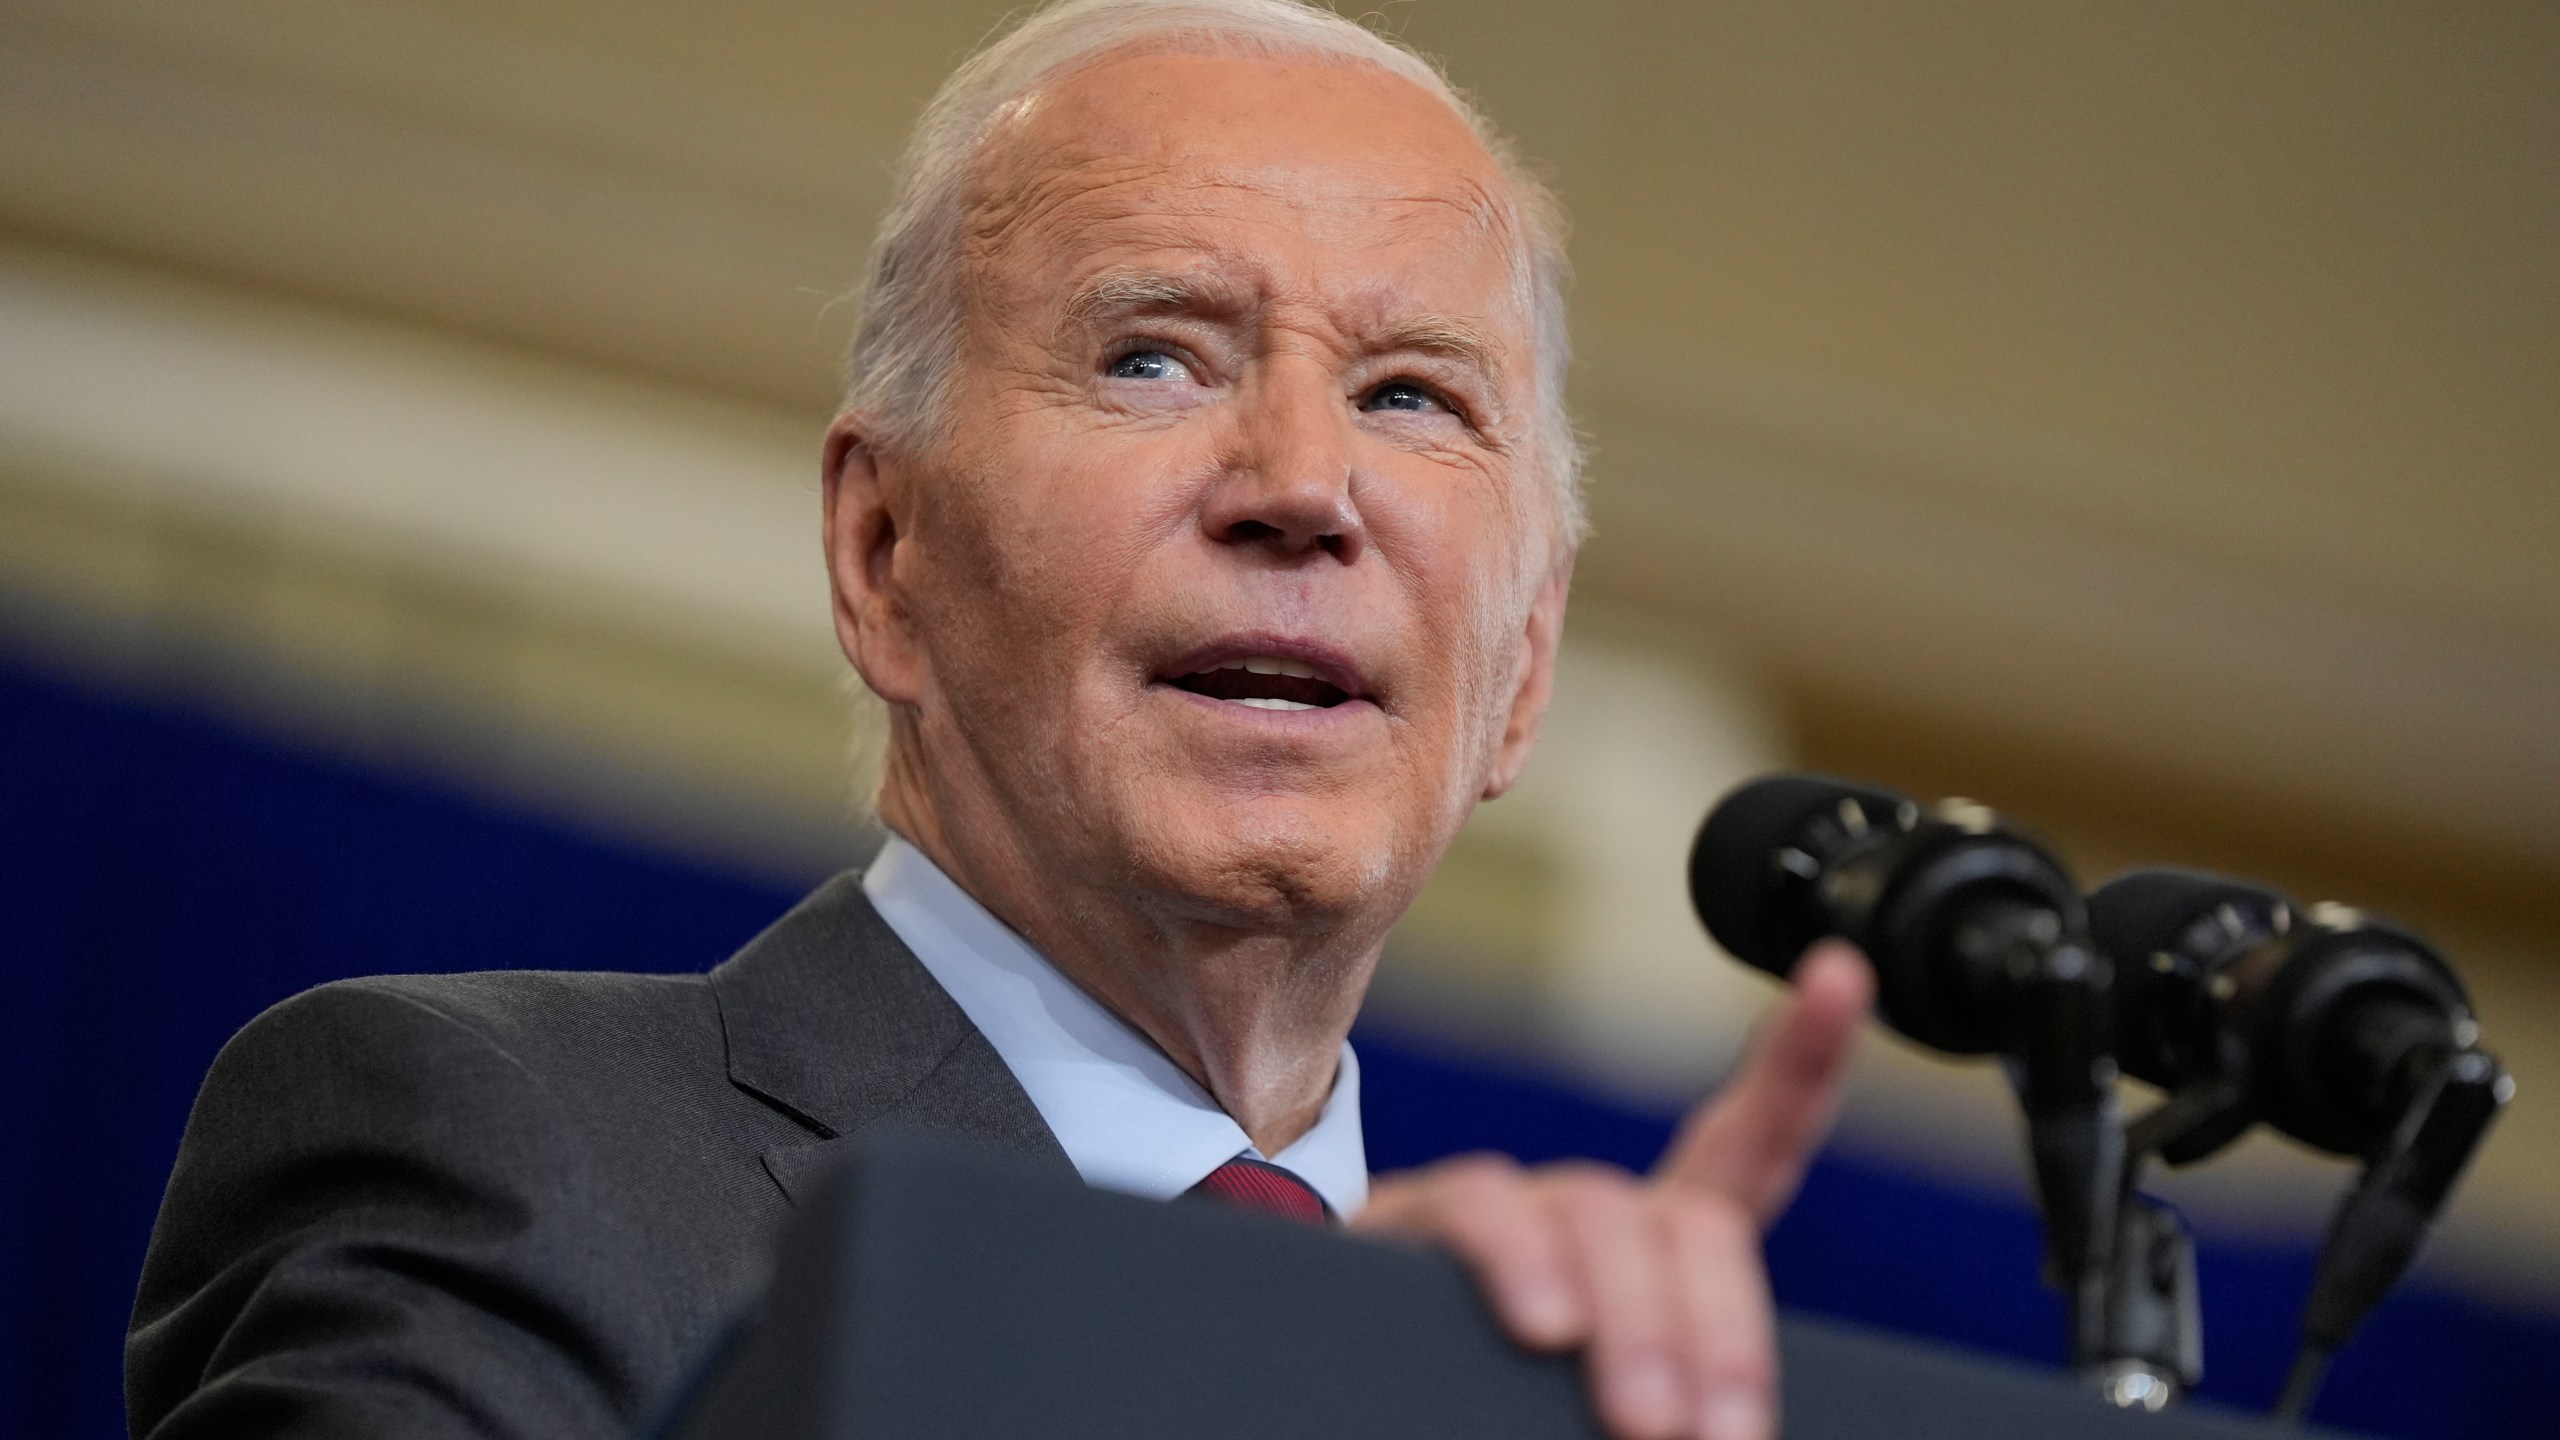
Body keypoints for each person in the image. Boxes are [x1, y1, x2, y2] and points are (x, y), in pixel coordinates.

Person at [126, 3, 1875, 1438]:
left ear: (1527, 668)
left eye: (1410, 393)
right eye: (1155, 358)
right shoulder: (483, 1144)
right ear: (885, 555)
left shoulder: (1548, 1401)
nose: (1302, 484)